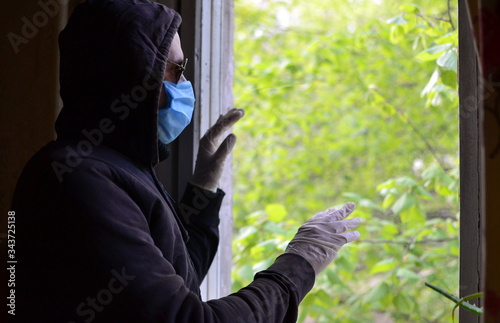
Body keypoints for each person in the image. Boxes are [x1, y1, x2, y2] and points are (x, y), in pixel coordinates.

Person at [10, 0, 361, 322]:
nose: (186, 84)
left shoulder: (115, 166)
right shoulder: (78, 180)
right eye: (177, 69)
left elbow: (179, 275)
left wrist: (201, 193)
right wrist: (298, 267)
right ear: (131, 75)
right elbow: (187, 318)